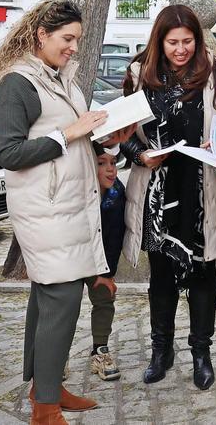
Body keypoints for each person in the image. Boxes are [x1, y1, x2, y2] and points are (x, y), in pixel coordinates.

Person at [0, 0, 134, 425]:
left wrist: (106, 138)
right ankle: (44, 409)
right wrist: (70, 132)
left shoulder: (60, 79)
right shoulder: (16, 84)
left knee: (47, 301)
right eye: (67, 39)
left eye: (77, 41)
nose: (73, 48)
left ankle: (45, 387)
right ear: (40, 35)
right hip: (45, 210)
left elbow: (73, 141)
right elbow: (10, 152)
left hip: (67, 207)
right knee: (61, 301)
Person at [120, 4, 216, 390]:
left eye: (188, 41)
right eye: (173, 42)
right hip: (158, 192)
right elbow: (119, 136)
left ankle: (201, 353)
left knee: (203, 272)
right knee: (161, 275)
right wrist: (140, 155)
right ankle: (161, 350)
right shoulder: (139, 75)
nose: (181, 49)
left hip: (202, 189)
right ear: (159, 40)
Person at [86, 142, 126, 381]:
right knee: (64, 306)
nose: (110, 170)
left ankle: (100, 349)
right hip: (74, 254)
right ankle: (56, 358)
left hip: (101, 257)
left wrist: (107, 273)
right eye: (102, 164)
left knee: (104, 297)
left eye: (113, 163)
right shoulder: (76, 193)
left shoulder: (116, 194)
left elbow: (114, 237)